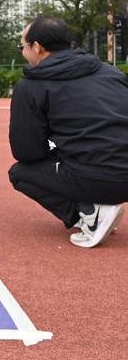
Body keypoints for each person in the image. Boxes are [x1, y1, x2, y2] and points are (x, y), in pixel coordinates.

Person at [8, 15, 128, 248]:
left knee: (20, 173)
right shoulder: (111, 73)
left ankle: (90, 214)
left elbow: (26, 152)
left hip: (101, 178)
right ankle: (99, 207)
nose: (22, 51)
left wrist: (55, 146)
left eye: (22, 46)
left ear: (37, 47)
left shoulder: (31, 86)